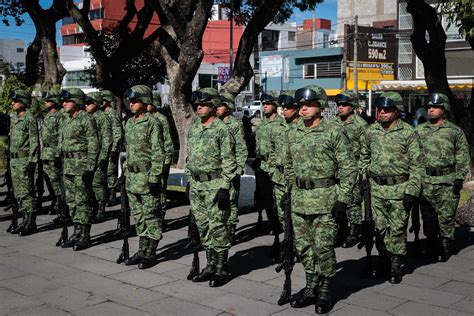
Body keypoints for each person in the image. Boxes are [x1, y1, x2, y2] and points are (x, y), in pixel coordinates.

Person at [285, 85, 356, 313]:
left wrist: (343, 199)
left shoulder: (334, 131)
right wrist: (289, 190)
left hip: (325, 200)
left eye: (309, 104)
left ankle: (325, 291)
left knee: (324, 248)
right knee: (304, 248)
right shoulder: (293, 131)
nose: (303, 108)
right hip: (299, 200)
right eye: (301, 105)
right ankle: (310, 286)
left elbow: (349, 168)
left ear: (321, 106)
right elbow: (288, 164)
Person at [360, 92, 423, 284]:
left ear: (397, 111)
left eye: (387, 109)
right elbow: (363, 158)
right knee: (380, 228)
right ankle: (384, 261)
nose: (383, 113)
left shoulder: (408, 133)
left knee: (397, 228)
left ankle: (395, 266)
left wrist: (412, 189)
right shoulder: (371, 132)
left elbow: (417, 164)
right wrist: (364, 177)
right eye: (380, 109)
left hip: (399, 188)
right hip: (377, 189)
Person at [187, 88, 236, 287]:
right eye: (197, 104)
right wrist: (189, 180)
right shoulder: (194, 128)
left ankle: (221, 267)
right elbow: (190, 157)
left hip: (215, 185)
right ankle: (210, 264)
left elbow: (229, 160)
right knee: (203, 227)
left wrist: (225, 186)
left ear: (214, 106)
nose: (199, 107)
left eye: (204, 104)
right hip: (197, 185)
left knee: (218, 227)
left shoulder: (222, 129)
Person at [416, 93, 470, 262]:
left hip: (447, 181)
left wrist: (459, 178)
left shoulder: (454, 131)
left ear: (444, 109)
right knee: (428, 217)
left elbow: (462, 155)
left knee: (446, 217)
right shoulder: (419, 131)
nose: (431, 110)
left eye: (435, 107)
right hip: (426, 181)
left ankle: (445, 247)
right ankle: (431, 246)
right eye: (429, 107)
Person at [122, 85, 165, 269]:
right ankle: (142, 249)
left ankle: (151, 252)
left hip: (147, 178)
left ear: (145, 101)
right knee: (138, 216)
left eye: (135, 100)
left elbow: (158, 153)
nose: (131, 104)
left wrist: (155, 177)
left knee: (151, 216)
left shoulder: (152, 123)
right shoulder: (129, 122)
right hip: (132, 177)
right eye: (130, 100)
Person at [58, 88, 99, 251]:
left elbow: (94, 143)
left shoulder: (86, 119)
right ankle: (76, 232)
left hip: (81, 166)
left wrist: (90, 168)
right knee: (72, 201)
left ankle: (85, 235)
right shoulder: (66, 119)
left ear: (76, 102)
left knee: (83, 201)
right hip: (68, 165)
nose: (64, 104)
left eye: (67, 101)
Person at [333, 91, 368, 248]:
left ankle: (354, 232)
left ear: (352, 106)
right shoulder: (333, 123)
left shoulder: (361, 125)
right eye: (339, 104)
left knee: (352, 203)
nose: (340, 107)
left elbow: (366, 150)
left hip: (353, 169)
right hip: (335, 170)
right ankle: (341, 231)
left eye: (344, 104)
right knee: (337, 201)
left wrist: (362, 173)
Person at [254, 93, 286, 255]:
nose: (265, 106)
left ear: (275, 105)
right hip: (261, 166)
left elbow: (279, 150)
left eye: (268, 103)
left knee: (278, 201)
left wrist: (274, 167)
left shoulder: (281, 125)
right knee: (266, 200)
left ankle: (282, 234)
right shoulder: (261, 124)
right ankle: (273, 227)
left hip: (273, 168)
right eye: (263, 104)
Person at [217, 91, 248, 241]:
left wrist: (238, 170)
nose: (217, 108)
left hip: (231, 168)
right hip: (218, 170)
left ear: (228, 108)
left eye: (221, 105)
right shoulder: (214, 123)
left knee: (231, 201)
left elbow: (241, 149)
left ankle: (230, 229)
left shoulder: (234, 125)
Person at [8, 90, 40, 236]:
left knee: (27, 191)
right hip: (14, 160)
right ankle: (24, 219)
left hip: (24, 160)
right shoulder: (13, 118)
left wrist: (32, 162)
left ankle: (31, 222)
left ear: (23, 102)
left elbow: (34, 142)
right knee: (19, 192)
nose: (12, 103)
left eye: (15, 101)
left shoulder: (29, 119)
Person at [85, 92, 113, 222]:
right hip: (89, 156)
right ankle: (93, 208)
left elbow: (107, 139)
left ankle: (101, 209)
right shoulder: (88, 117)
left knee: (97, 183)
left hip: (99, 156)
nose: (86, 105)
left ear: (96, 103)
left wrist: (103, 158)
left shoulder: (102, 117)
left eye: (89, 103)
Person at [148, 91, 174, 215]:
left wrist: (167, 161)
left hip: (161, 158)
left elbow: (168, 140)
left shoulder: (161, 119)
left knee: (160, 187)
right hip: (148, 160)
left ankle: (161, 211)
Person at [40, 91, 64, 216]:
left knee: (55, 179)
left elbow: (61, 135)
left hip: (54, 151)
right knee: (48, 179)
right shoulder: (48, 115)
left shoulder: (59, 116)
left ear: (54, 101)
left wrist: (58, 153)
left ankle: (59, 202)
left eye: (47, 100)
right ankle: (54, 199)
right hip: (46, 152)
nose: (45, 103)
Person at [102, 90, 122, 205]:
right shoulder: (101, 113)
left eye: (104, 99)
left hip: (111, 148)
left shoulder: (112, 113)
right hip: (103, 148)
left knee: (110, 172)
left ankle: (112, 195)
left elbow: (117, 132)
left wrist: (114, 149)